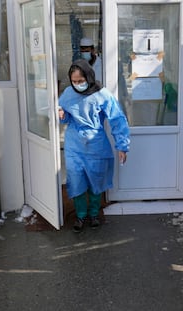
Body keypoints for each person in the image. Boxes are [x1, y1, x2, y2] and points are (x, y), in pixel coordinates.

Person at [58, 59, 130, 233]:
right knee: (76, 180)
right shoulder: (68, 93)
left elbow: (117, 119)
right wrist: (62, 114)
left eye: (81, 81)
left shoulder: (102, 94)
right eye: (74, 81)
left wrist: (122, 145)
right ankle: (80, 215)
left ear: (88, 77)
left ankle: (94, 213)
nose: (77, 85)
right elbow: (67, 117)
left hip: (96, 143)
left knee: (96, 181)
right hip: (74, 144)